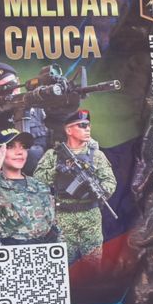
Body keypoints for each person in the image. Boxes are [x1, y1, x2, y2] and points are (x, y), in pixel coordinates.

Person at [34, 109, 117, 265]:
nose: (88, 129)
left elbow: (110, 181)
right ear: (69, 130)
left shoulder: (96, 155)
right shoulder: (53, 155)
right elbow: (38, 180)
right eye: (82, 125)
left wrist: (99, 190)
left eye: (89, 125)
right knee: (63, 264)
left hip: (90, 216)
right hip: (63, 217)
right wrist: (58, 170)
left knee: (93, 264)